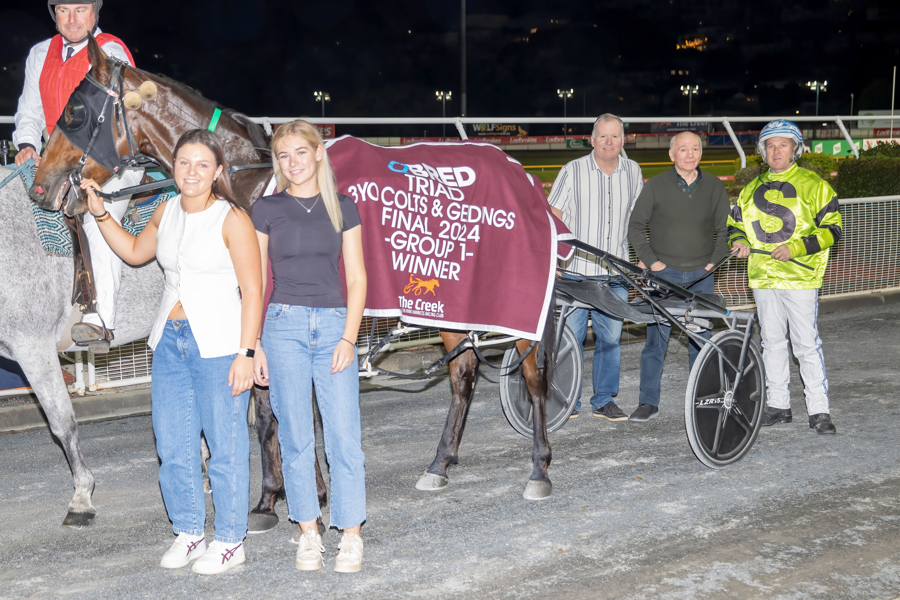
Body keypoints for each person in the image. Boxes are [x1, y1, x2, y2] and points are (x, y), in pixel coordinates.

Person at [79, 130, 262, 573]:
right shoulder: (166, 209)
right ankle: (190, 532)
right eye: (184, 163)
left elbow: (253, 291)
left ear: (218, 171)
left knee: (225, 446)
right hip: (169, 340)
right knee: (174, 444)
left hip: (219, 344)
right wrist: (101, 214)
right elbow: (134, 252)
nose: (191, 172)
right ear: (173, 167)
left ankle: (231, 540)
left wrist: (247, 352)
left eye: (202, 164)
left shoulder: (232, 218)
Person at [251, 120, 367, 573]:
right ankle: (309, 534)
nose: (292, 162)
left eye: (300, 151)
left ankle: (351, 535)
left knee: (344, 435)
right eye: (283, 155)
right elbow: (256, 283)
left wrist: (349, 337)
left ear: (318, 153)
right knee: (296, 436)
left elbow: (357, 278)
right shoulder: (266, 209)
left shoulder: (343, 207)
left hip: (335, 325)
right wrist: (255, 344)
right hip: (283, 328)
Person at [13, 1, 143, 349]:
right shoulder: (40, 53)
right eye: (64, 10)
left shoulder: (112, 51)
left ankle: (101, 319)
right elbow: (29, 111)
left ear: (95, 13)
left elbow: (123, 119)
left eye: (80, 9)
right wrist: (27, 144)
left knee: (98, 214)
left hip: (111, 161)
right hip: (60, 159)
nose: (72, 19)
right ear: (54, 14)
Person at [729, 120, 841, 435]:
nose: (776, 151)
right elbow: (735, 224)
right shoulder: (750, 188)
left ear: (795, 149)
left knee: (805, 344)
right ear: (762, 151)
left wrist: (795, 248)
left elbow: (833, 229)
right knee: (771, 342)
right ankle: (778, 406)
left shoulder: (815, 185)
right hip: (763, 277)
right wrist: (738, 241)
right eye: (770, 145)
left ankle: (819, 410)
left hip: (800, 277)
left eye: (783, 144)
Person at [627, 131, 730, 422]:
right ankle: (648, 402)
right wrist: (652, 262)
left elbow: (724, 229)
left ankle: (703, 400)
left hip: (702, 275)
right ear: (672, 154)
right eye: (683, 149)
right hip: (664, 276)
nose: (690, 154)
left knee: (701, 340)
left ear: (701, 153)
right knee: (655, 342)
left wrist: (713, 263)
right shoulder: (656, 185)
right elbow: (635, 227)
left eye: (695, 148)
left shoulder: (714, 186)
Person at [548, 114, 643, 421]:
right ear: (592, 139)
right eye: (603, 136)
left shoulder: (633, 171)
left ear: (623, 140)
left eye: (615, 136)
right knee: (570, 341)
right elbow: (553, 216)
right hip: (575, 274)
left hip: (614, 274)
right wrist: (553, 259)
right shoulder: (572, 170)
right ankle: (567, 401)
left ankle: (603, 400)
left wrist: (642, 255)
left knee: (611, 340)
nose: (609, 142)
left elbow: (637, 220)